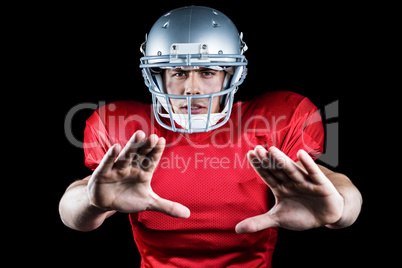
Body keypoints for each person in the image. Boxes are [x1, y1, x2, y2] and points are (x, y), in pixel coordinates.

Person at [59, 6, 362, 267]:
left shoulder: (276, 119)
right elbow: (74, 207)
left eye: (207, 71)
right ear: (158, 76)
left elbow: (330, 182)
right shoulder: (128, 129)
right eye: (178, 72)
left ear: (231, 73)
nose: (192, 88)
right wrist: (92, 202)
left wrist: (340, 210)